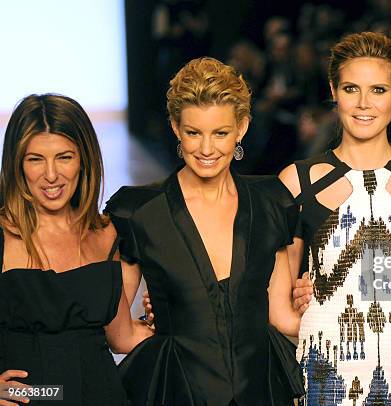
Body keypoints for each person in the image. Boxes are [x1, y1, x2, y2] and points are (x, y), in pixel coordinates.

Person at [105, 57, 303, 406]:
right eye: (194, 133)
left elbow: (281, 316)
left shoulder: (272, 202)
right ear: (175, 128)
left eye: (221, 133)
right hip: (177, 389)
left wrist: (331, 305)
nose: (207, 149)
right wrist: (174, 334)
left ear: (242, 127)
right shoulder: (138, 211)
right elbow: (120, 336)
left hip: (261, 388)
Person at [279, 32, 391, 405]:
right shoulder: (298, 181)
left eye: (378, 90)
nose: (363, 103)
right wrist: (315, 319)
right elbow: (278, 306)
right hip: (329, 371)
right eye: (351, 88)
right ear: (333, 90)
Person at [0, 94, 152, 406]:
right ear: (16, 164)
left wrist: (179, 319)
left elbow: (123, 338)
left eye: (64, 157)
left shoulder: (107, 234)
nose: (51, 175)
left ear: (84, 159)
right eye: (35, 159)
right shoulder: (4, 235)